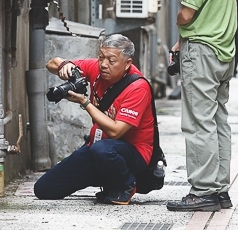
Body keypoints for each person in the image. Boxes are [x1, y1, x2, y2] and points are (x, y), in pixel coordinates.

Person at [161, 0, 237, 212]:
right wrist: (183, 39)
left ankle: (203, 191)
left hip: (203, 55)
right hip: (222, 52)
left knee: (197, 123)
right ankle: (219, 190)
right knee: (218, 121)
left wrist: (180, 23)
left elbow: (187, 14)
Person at [34, 34, 155, 205]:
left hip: (133, 153)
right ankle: (107, 180)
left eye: (111, 60)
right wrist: (64, 66)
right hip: (97, 148)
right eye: (101, 57)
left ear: (127, 63)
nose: (104, 64)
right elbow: (50, 64)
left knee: (103, 150)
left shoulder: (138, 87)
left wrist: (85, 102)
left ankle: (125, 184)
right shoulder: (97, 69)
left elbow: (115, 131)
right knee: (44, 189)